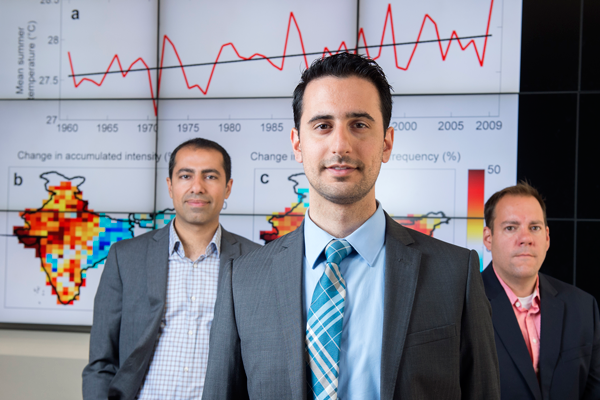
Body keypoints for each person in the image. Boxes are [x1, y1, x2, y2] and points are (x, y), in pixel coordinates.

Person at [202, 53, 499, 400]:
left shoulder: (454, 274)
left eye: (359, 124)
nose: (340, 145)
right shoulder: (243, 279)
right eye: (323, 125)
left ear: (386, 142)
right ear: (298, 143)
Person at [82, 138, 260, 399]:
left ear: (228, 187)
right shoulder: (126, 258)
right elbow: (101, 362)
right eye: (185, 176)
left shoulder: (257, 261)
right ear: (170, 185)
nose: (197, 187)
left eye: (210, 176)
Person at [482, 182, 600, 399]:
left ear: (546, 237)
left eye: (534, 227)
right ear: (488, 238)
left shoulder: (583, 307)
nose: (525, 238)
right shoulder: (462, 306)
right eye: (511, 227)